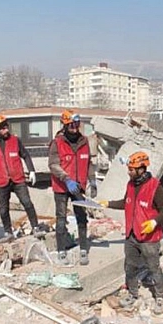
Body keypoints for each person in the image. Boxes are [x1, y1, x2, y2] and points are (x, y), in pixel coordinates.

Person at [98, 152, 163, 314]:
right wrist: (108, 203)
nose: (129, 172)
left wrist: (154, 222)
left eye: (132, 169)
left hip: (148, 238)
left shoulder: (155, 187)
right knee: (130, 266)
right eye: (129, 168)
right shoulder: (131, 185)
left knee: (153, 267)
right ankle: (132, 293)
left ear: (142, 169)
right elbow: (126, 202)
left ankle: (160, 297)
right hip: (131, 234)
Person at [0, 114, 43, 240]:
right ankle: (8, 231)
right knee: (4, 209)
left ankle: (35, 227)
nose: (6, 130)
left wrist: (31, 170)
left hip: (17, 179)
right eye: (3, 128)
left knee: (27, 203)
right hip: (1, 181)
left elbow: (25, 155)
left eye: (6, 127)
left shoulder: (15, 140)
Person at [49, 110, 97, 265]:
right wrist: (67, 179)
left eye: (77, 125)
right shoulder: (57, 143)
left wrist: (92, 181)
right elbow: (53, 165)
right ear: (65, 126)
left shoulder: (84, 142)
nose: (75, 128)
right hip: (62, 187)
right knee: (61, 219)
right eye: (71, 125)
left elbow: (88, 163)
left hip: (79, 187)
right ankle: (61, 250)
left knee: (81, 218)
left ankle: (83, 249)